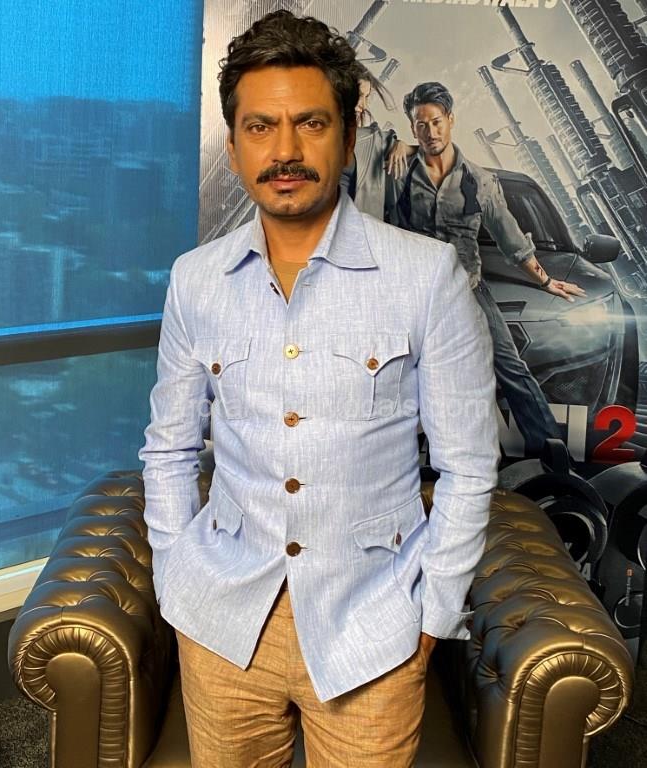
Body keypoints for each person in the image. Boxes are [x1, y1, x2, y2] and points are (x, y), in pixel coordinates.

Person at [139, 13, 499, 768]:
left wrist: (430, 617)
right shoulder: (194, 281)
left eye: (310, 123)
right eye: (260, 127)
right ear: (233, 145)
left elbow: (468, 467)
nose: (285, 151)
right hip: (222, 620)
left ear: (348, 132)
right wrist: (175, 574)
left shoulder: (425, 276)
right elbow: (168, 450)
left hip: (373, 625)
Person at [388, 81, 586, 457]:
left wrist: (546, 281)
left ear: (450, 120)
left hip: (469, 290)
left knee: (512, 369)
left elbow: (512, 240)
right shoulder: (398, 173)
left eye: (436, 122)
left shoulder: (478, 181)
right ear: (412, 127)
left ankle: (553, 453)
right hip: (416, 296)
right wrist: (395, 144)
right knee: (401, 375)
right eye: (420, 124)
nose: (430, 132)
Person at [342, 62, 413, 217]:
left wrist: (401, 145)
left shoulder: (372, 138)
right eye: (359, 95)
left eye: (366, 97)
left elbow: (424, 151)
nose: (363, 105)